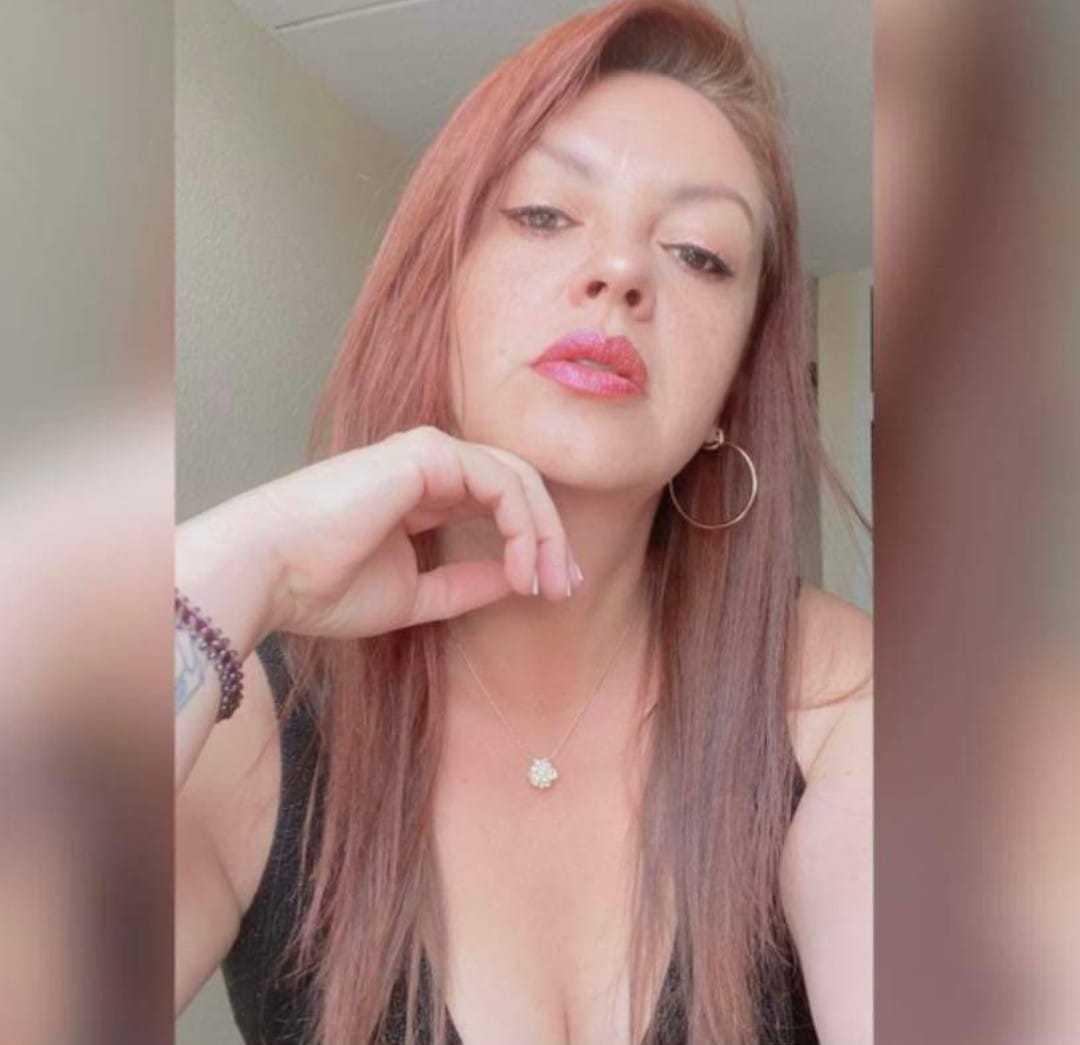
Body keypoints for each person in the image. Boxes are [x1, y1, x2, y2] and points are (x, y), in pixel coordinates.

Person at [175, 1, 872, 1042]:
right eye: (545, 214)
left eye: (698, 253)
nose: (622, 271)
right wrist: (235, 570)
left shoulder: (836, 696)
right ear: (435, 295)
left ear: (731, 386)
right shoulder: (247, 734)